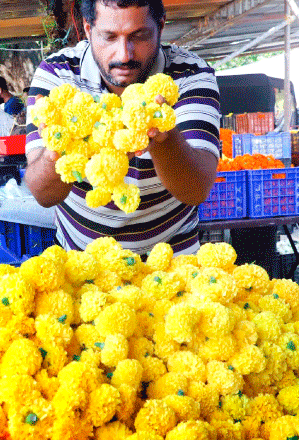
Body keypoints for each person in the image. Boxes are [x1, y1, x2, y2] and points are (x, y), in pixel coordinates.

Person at [24, 0, 220, 255]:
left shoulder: (191, 75)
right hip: (83, 263)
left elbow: (196, 190)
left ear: (160, 27)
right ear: (87, 29)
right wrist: (59, 150)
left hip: (174, 263)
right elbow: (43, 195)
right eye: (109, 37)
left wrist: (161, 134)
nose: (124, 55)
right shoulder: (58, 74)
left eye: (138, 37)